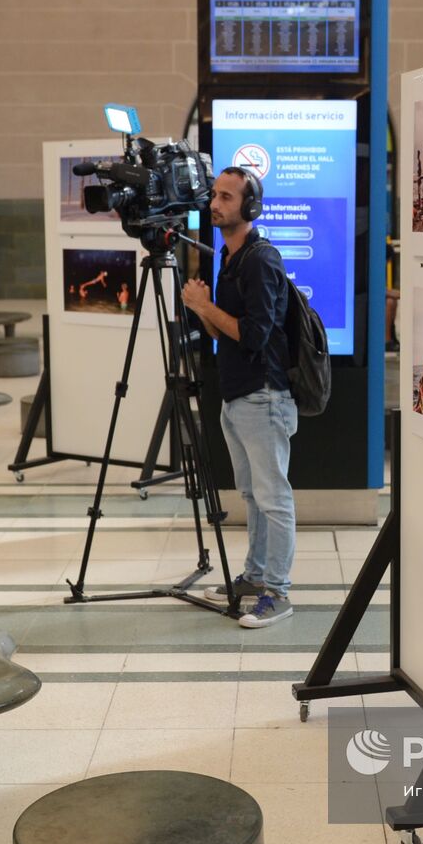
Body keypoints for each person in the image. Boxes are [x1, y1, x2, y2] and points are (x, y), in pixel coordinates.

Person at [182, 167, 297, 629]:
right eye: (214, 194)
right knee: (252, 495)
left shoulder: (260, 260)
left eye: (226, 197)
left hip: (264, 396)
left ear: (249, 207)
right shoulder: (229, 259)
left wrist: (205, 307)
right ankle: (255, 575)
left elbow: (253, 337)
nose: (215, 203)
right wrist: (201, 310)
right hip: (237, 397)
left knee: (274, 498)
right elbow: (222, 335)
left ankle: (278, 591)